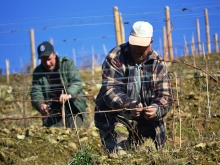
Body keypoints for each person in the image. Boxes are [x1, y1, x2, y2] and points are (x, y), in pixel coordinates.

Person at [94, 21, 173, 154]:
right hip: (116, 118)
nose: (137, 49)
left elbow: (165, 96)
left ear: (151, 42)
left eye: (141, 46)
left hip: (147, 123)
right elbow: (110, 90)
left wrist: (156, 109)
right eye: (134, 45)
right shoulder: (115, 57)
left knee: (149, 157)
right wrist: (130, 105)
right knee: (120, 157)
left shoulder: (159, 64)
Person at [30, 41, 87, 128]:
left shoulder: (67, 64)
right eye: (44, 61)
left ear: (54, 54)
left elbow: (76, 82)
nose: (47, 63)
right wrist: (40, 104)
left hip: (73, 106)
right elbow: (36, 92)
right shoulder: (37, 73)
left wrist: (68, 94)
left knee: (76, 130)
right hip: (52, 109)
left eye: (49, 59)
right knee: (53, 133)